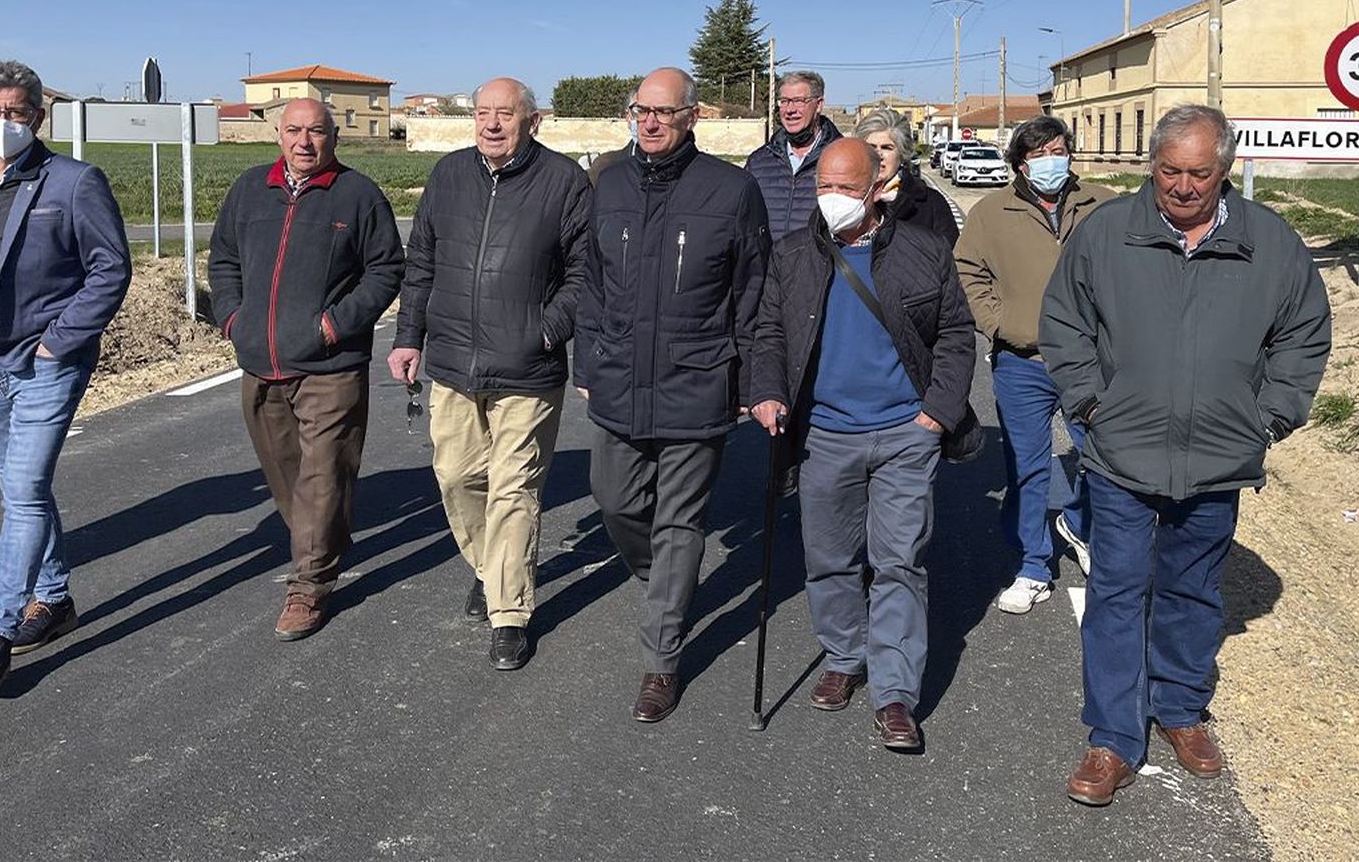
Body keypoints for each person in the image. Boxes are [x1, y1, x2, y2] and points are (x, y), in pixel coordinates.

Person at [1039, 103, 1331, 806]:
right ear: (1152, 166)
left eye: (1200, 172)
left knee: (1193, 591)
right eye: (1169, 170)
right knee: (1116, 592)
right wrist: (1090, 405)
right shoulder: (1107, 233)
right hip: (1121, 454)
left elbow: (1303, 335)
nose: (1183, 186)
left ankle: (1179, 709)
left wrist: (1268, 418)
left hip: (1218, 457)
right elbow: (1064, 322)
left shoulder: (1270, 241)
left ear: (1225, 169)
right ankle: (1112, 737)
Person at [750, 137, 974, 750]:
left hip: (906, 433)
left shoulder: (924, 251)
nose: (832, 200)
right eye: (823, 186)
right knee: (830, 558)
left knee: (900, 562)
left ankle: (895, 694)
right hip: (824, 435)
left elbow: (956, 333)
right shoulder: (794, 254)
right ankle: (844, 657)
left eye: (846, 189)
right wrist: (767, 390)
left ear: (877, 188)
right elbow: (768, 330)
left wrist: (937, 414)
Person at [574, 66, 770, 723]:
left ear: (692, 117)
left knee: (681, 521)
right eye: (640, 110)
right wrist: (587, 357)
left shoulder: (732, 190)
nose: (650, 121)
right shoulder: (608, 184)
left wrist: (755, 380)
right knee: (615, 498)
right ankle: (663, 581)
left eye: (664, 111)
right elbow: (590, 283)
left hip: (697, 379)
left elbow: (753, 293)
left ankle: (661, 659)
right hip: (619, 378)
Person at [0, 60, 132, 688]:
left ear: (37, 116)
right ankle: (56, 597)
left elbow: (110, 269)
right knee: (23, 491)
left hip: (44, 364)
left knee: (22, 491)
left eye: (16, 112)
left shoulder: (74, 182)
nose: (3, 124)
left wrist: (58, 343)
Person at [389, 77, 589, 671]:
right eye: (483, 113)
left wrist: (547, 330)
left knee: (513, 489)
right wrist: (408, 337)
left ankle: (510, 612)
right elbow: (420, 263)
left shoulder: (563, 182)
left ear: (532, 122)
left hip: (528, 367)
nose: (492, 123)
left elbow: (586, 273)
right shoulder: (449, 176)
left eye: (505, 114)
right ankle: (490, 567)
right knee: (455, 478)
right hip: (452, 362)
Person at [209, 98, 404, 642]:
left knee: (323, 473)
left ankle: (309, 584)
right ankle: (323, 539)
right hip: (259, 362)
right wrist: (231, 318)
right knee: (288, 474)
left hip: (330, 365)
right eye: (293, 130)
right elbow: (223, 257)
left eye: (315, 131)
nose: (303, 141)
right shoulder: (250, 190)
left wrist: (334, 326)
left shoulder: (357, 195)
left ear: (333, 137)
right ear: (278, 134)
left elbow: (386, 268)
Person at [954, 116, 1116, 613]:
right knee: (1027, 469)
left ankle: (1081, 525)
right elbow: (967, 269)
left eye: (1059, 149)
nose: (1052, 159)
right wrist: (998, 322)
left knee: (1105, 457)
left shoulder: (1104, 203)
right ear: (1020, 163)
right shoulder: (990, 212)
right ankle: (1033, 565)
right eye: (1040, 152)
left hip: (1090, 361)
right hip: (1020, 362)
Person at [745, 71, 843, 237]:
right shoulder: (758, 162)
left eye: (799, 101)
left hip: (819, 261)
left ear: (819, 105)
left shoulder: (841, 159)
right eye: (784, 101)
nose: (789, 110)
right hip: (769, 262)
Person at [853, 106, 960, 249]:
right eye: (871, 147)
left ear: (902, 154)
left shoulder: (931, 204)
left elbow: (949, 259)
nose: (878, 156)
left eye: (887, 148)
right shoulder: (844, 198)